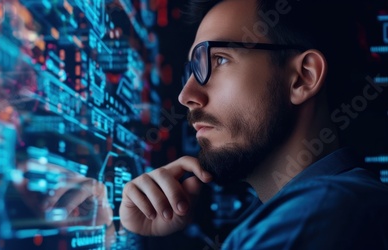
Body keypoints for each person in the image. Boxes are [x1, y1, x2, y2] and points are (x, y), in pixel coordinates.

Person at [119, 0, 388, 248]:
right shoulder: (307, 212)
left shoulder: (320, 211)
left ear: (303, 77)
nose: (186, 96)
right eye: (192, 71)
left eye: (219, 60)